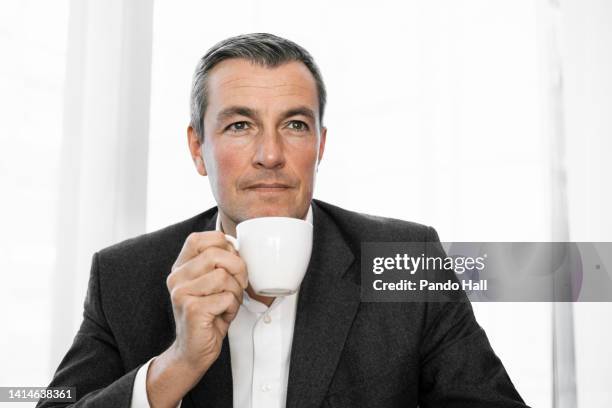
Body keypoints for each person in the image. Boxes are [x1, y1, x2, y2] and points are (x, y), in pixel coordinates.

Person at [38, 33, 529, 408]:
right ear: (197, 149)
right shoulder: (125, 275)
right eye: (239, 125)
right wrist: (177, 364)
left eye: (295, 125)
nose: (270, 155)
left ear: (320, 145)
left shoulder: (407, 258)